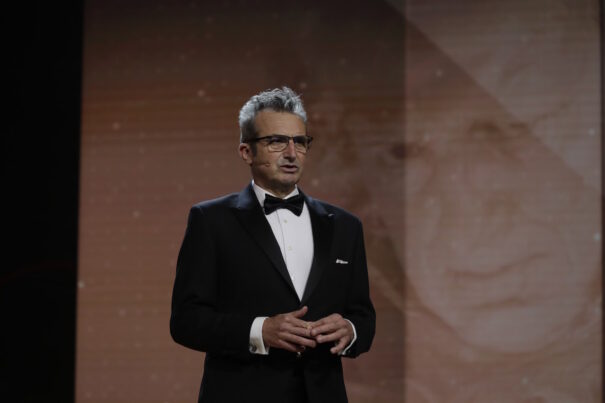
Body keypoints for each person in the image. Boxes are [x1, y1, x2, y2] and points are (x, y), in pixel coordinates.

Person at [170, 86, 376, 403]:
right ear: (246, 152)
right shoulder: (211, 221)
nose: (292, 153)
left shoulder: (346, 226)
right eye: (276, 141)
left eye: (300, 141)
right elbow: (186, 321)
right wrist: (259, 331)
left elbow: (364, 317)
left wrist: (350, 330)